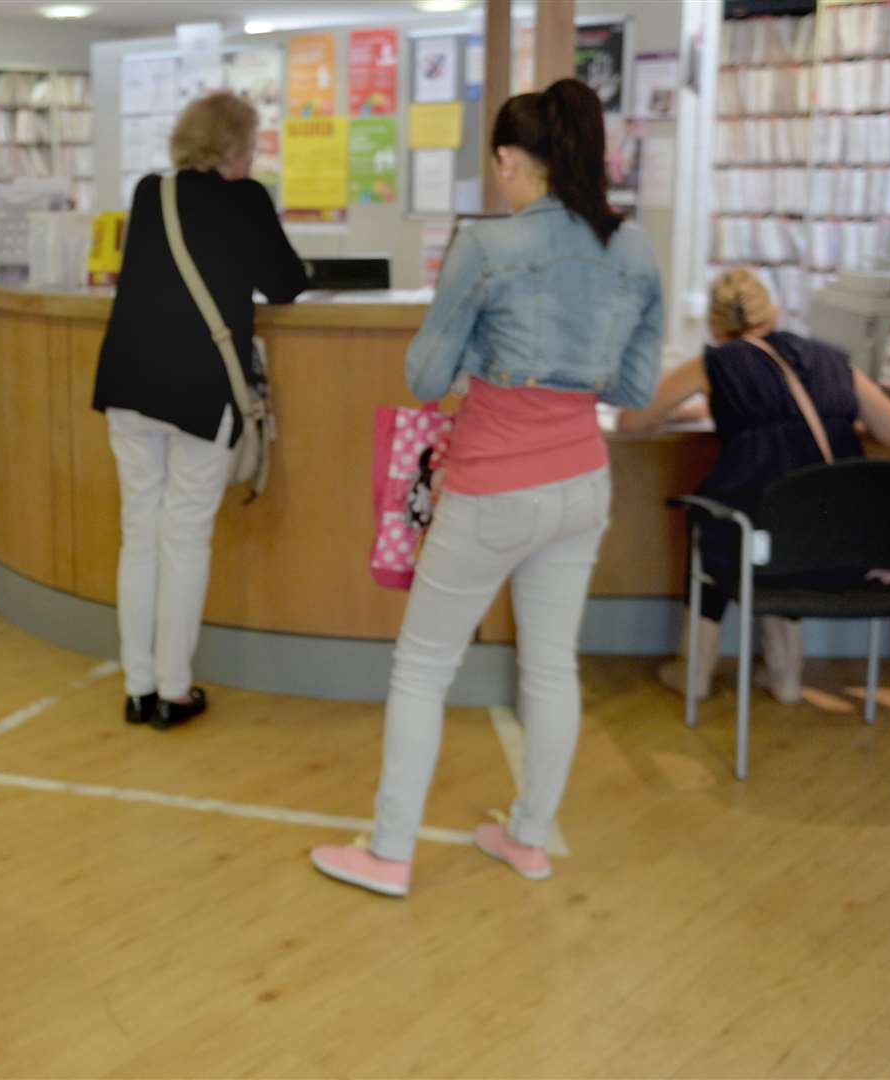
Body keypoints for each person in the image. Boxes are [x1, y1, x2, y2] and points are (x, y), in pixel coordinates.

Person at [310, 80, 663, 897]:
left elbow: (426, 374)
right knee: (551, 667)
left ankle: (390, 853)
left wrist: (487, 365)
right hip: (582, 483)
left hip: (492, 484)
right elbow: (636, 385)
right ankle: (528, 837)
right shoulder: (633, 249)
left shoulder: (486, 245)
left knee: (423, 666)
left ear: (510, 159)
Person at [91, 91, 308, 731]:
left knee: (141, 532)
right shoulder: (248, 201)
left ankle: (138, 686)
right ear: (236, 147)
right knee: (184, 535)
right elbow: (287, 283)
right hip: (201, 389)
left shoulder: (148, 192)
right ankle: (174, 690)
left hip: (129, 382)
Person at [617, 269, 890, 703]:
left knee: (718, 518)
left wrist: (687, 413)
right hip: (836, 541)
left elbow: (632, 421)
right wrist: (838, 420)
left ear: (716, 325)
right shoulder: (832, 359)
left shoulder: (714, 363)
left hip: (750, 537)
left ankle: (693, 673)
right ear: (772, 312)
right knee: (787, 527)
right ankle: (786, 675)